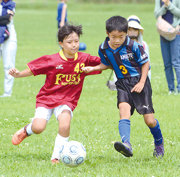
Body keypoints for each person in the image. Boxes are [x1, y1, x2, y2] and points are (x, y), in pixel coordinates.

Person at [9, 23, 101, 164]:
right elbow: (34, 69)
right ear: (61, 43)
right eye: (69, 42)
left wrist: (116, 62)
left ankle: (56, 157)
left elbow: (104, 63)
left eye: (76, 41)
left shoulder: (84, 59)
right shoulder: (52, 60)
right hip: (47, 99)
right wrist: (19, 74)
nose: (74, 45)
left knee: (65, 124)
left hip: (67, 100)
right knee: (38, 127)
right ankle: (27, 130)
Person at [82, 16, 164, 158]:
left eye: (121, 36)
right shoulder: (103, 48)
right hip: (122, 83)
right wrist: (93, 68)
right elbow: (108, 64)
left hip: (139, 82)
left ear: (126, 33)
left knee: (149, 120)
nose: (117, 40)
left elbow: (146, 63)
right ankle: (126, 144)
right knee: (123, 110)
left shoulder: (133, 46)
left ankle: (159, 142)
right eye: (114, 37)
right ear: (107, 33)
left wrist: (142, 82)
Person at [154, 0, 180, 95]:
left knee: (176, 62)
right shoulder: (159, 1)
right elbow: (157, 14)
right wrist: (164, 6)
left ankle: (179, 89)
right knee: (167, 63)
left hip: (175, 32)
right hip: (163, 33)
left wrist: (169, 5)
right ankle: (171, 89)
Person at [0, 0, 17, 98]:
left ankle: (7, 93)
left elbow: (7, 20)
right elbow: (5, 18)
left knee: (8, 66)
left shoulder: (10, 4)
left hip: (9, 38)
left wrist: (5, 18)